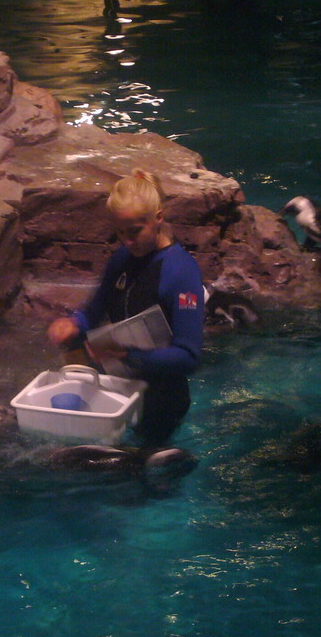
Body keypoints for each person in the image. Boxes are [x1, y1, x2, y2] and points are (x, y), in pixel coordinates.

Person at [47, 170, 205, 445]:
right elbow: (94, 310)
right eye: (120, 232)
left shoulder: (181, 273)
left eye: (134, 231)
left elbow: (188, 357)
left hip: (162, 399)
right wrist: (74, 323)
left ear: (158, 218)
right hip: (121, 387)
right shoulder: (122, 258)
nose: (127, 241)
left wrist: (129, 355)